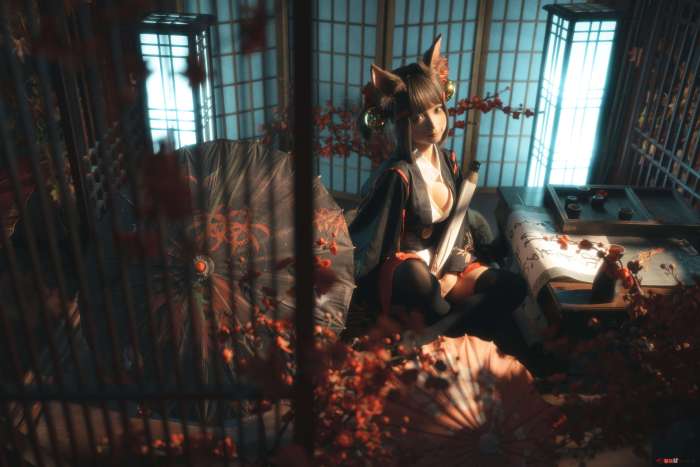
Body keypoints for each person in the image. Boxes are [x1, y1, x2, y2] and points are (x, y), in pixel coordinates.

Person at [349, 35, 530, 351]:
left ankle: (432, 331)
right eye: (418, 117)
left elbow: (459, 221)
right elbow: (376, 240)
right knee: (419, 280)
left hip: (447, 259)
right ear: (401, 123)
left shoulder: (449, 160)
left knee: (513, 286)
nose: (433, 124)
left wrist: (453, 272)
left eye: (436, 110)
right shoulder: (397, 175)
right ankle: (464, 321)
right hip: (409, 267)